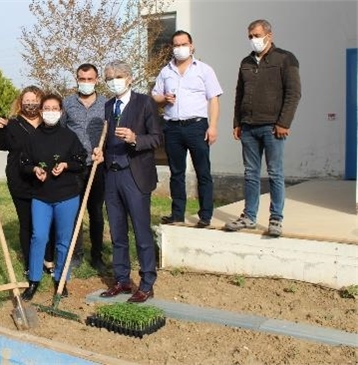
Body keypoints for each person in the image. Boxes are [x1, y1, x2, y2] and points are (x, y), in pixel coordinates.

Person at [224, 19, 301, 237]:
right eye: (250, 36)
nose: (253, 40)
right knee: (250, 173)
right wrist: (237, 122)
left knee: (275, 173)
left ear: (269, 35)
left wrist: (284, 122)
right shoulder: (246, 62)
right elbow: (239, 93)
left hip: (273, 128)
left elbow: (293, 93)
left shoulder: (285, 59)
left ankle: (276, 218)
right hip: (248, 127)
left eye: (257, 35)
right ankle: (249, 216)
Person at [96, 60, 162, 303]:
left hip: (134, 175)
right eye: (109, 77)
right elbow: (105, 138)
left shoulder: (144, 102)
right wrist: (100, 152)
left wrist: (135, 138)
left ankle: (146, 283)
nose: (114, 81)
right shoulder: (108, 106)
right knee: (117, 231)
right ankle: (122, 279)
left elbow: (156, 138)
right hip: (111, 174)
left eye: (118, 76)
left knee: (141, 230)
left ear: (130, 78)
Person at [152, 30, 223, 228]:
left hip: (197, 126)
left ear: (191, 46)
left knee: (203, 171)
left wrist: (213, 126)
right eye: (176, 45)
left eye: (183, 44)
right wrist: (164, 98)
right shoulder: (166, 71)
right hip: (172, 127)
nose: (180, 48)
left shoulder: (204, 70)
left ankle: (205, 215)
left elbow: (214, 99)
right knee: (176, 172)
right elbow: (155, 96)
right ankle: (177, 214)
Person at [19, 93, 86, 301]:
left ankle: (61, 278)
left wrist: (66, 165)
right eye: (46, 108)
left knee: (64, 240)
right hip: (41, 196)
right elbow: (24, 164)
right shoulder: (32, 138)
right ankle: (34, 279)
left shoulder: (69, 137)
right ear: (41, 111)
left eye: (54, 108)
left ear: (61, 112)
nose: (50, 112)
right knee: (39, 236)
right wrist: (34, 170)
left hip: (67, 195)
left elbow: (80, 161)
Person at [0, 86, 53, 276]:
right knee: (26, 222)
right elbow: (2, 146)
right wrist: (0, 129)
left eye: (35, 100)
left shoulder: (48, 122)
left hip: (44, 180)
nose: (31, 104)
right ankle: (30, 263)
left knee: (45, 223)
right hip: (20, 179)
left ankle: (47, 259)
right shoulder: (13, 124)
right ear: (21, 102)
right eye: (27, 100)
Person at [61, 63, 109, 272]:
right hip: (75, 167)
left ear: (97, 80)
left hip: (98, 166)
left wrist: (104, 150)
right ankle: (75, 254)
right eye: (82, 79)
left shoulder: (106, 104)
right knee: (75, 213)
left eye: (90, 79)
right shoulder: (68, 103)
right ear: (77, 79)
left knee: (96, 213)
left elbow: (112, 133)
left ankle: (96, 255)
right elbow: (61, 131)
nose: (86, 83)